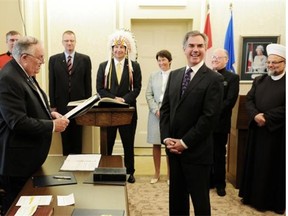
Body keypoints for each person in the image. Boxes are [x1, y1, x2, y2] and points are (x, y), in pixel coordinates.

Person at [0, 36, 69, 214]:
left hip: (29, 158)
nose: (43, 62)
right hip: (16, 163)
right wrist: (52, 125)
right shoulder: (8, 78)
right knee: (17, 208)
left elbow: (33, 103)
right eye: (39, 57)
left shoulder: (24, 73)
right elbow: (18, 122)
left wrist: (50, 113)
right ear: (24, 57)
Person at [160, 30, 223, 215]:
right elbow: (165, 110)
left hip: (197, 153)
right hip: (174, 151)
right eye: (191, 46)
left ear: (205, 49)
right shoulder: (175, 75)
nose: (195, 50)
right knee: (177, 202)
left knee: (200, 203)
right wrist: (166, 139)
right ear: (184, 49)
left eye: (200, 46)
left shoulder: (214, 79)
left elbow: (209, 118)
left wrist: (184, 143)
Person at [239, 43, 286, 215]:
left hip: (277, 133)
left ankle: (275, 202)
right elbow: (249, 100)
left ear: (284, 63)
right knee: (256, 165)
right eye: (269, 62)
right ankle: (252, 198)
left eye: (276, 63)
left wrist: (267, 117)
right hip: (258, 131)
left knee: (273, 168)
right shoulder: (260, 80)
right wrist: (255, 115)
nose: (271, 66)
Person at [96, 29, 142, 183]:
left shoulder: (134, 66)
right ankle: (106, 170)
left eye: (122, 47)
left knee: (128, 143)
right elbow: (100, 89)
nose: (118, 50)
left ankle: (130, 172)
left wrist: (125, 99)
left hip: (128, 112)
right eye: (116, 47)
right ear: (112, 49)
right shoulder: (104, 66)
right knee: (107, 143)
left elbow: (137, 88)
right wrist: (114, 98)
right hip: (108, 112)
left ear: (126, 49)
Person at [49, 30, 92, 156]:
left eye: (71, 41)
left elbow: (87, 84)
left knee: (78, 138)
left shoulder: (84, 59)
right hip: (61, 106)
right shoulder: (54, 60)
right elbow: (52, 83)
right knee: (65, 139)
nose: (69, 43)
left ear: (75, 42)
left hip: (79, 106)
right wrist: (53, 105)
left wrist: (88, 105)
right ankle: (66, 168)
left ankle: (78, 168)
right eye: (66, 41)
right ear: (62, 42)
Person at [210, 48, 239, 197]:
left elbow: (230, 101)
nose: (215, 60)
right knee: (207, 153)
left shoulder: (232, 78)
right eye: (213, 57)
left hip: (220, 123)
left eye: (218, 58)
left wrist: (212, 113)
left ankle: (220, 184)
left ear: (226, 60)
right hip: (205, 124)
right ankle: (209, 181)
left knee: (219, 154)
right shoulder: (206, 75)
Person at [146, 50, 171, 184]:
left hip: (170, 113)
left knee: (169, 144)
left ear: (169, 61)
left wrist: (167, 111)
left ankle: (170, 175)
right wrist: (156, 110)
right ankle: (156, 173)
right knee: (156, 143)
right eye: (159, 60)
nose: (161, 63)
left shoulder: (175, 75)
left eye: (164, 60)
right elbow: (148, 95)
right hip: (155, 113)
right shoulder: (153, 76)